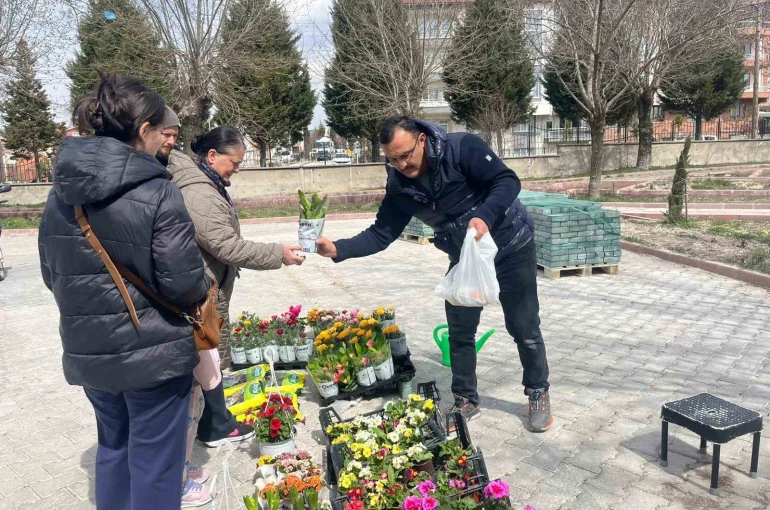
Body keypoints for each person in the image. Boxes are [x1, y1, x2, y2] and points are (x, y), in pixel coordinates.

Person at [38, 74, 211, 509]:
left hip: (90, 351)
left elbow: (49, 272)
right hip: (152, 354)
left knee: (113, 448)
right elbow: (183, 283)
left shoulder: (60, 195)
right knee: (156, 464)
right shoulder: (157, 190)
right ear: (144, 131)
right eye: (160, 131)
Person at [316, 116, 553, 432]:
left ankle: (538, 392)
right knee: (460, 330)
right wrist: (337, 249)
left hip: (511, 246)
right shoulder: (400, 185)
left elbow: (507, 181)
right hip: (465, 258)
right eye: (392, 159)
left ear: (422, 140)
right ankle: (465, 398)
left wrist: (484, 216)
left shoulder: (462, 148)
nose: (401, 164)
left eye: (405, 155)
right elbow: (381, 233)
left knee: (524, 327)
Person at [166, 125, 305, 447]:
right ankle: (213, 426)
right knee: (206, 354)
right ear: (212, 156)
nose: (238, 169)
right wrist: (277, 253)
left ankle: (211, 420)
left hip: (208, 284)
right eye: (235, 162)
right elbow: (226, 246)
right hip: (201, 290)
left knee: (208, 355)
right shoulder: (199, 191)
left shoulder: (206, 182)